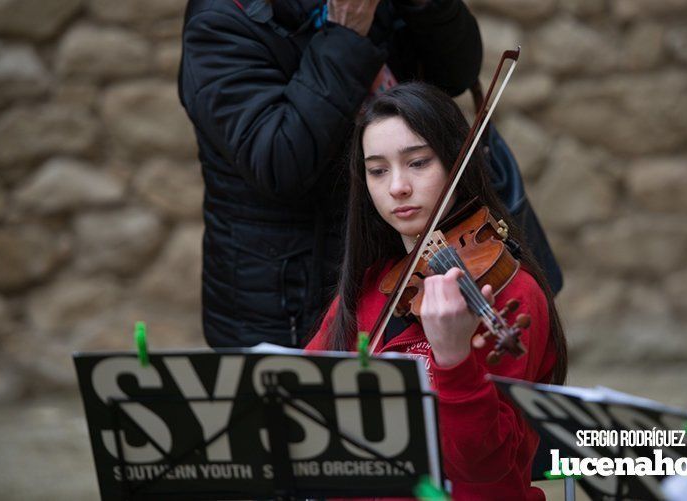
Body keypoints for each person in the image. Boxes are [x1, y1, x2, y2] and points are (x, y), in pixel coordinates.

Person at [306, 82, 568, 499]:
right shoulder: (372, 283)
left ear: (456, 163)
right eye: (378, 170)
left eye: (418, 163)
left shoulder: (512, 292)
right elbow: (302, 392)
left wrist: (454, 359)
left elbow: (486, 471)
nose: (397, 187)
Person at [178, 0, 487, 348]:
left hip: (401, 266)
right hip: (288, 297)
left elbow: (457, 74)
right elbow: (280, 162)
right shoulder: (218, 24)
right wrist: (346, 36)